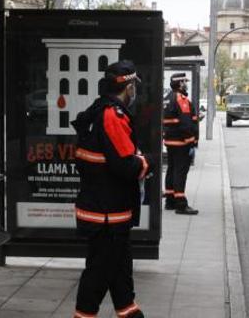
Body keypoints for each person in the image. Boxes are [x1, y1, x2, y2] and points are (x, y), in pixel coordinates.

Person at [71, 60, 152, 318]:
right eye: (133, 87)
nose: (134, 92)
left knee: (120, 270)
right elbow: (126, 164)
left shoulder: (100, 110)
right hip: (107, 214)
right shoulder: (111, 115)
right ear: (128, 87)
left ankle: (129, 312)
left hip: (106, 210)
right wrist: (146, 162)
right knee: (99, 273)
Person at [162, 73, 200, 215]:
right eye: (185, 81)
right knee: (180, 172)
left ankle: (170, 201)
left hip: (171, 142)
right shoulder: (181, 99)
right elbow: (185, 123)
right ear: (180, 83)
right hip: (181, 143)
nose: (186, 84)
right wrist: (191, 142)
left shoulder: (168, 98)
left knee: (172, 170)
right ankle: (181, 204)